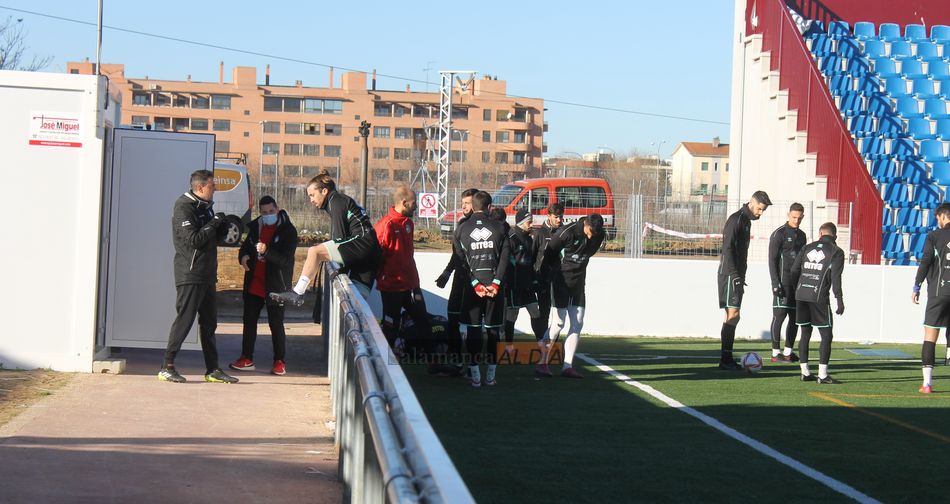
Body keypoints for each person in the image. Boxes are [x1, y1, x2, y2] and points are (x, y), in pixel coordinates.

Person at [159, 169, 238, 384]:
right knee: (185, 319)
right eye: (212, 186)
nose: (215, 190)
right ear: (200, 187)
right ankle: (167, 366)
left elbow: (209, 237)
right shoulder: (184, 206)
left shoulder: (206, 207)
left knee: (209, 323)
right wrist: (214, 223)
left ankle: (213, 369)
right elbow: (194, 239)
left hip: (207, 273)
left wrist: (223, 228)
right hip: (190, 272)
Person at [270, 171, 381, 305]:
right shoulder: (338, 200)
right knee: (356, 301)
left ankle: (298, 292)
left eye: (312, 195)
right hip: (370, 251)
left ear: (324, 191)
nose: (311, 200)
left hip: (363, 243)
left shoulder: (336, 201)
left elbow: (340, 237)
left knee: (314, 251)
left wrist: (338, 266)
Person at [229, 196, 298, 376]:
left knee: (276, 323)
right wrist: (243, 257)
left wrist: (267, 251)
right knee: (249, 321)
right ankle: (246, 357)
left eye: (271, 212)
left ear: (277, 209)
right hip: (254, 282)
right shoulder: (255, 228)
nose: (268, 215)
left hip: (276, 285)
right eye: (264, 212)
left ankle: (279, 361)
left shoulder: (288, 231)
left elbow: (285, 260)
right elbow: (245, 248)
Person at [541, 213, 606, 378]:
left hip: (578, 284)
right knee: (558, 323)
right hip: (560, 282)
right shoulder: (567, 233)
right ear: (585, 224)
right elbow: (548, 254)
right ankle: (542, 363)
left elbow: (587, 254)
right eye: (590, 231)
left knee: (577, 324)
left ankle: (567, 366)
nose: (592, 236)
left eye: (595, 234)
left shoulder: (598, 235)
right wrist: (547, 277)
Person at [455, 191, 510, 387]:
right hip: (495, 287)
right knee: (493, 331)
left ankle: (475, 377)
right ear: (489, 207)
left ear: (473, 205)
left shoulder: (461, 229)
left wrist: (474, 284)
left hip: (473, 288)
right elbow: (505, 259)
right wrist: (495, 283)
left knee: (474, 331)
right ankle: (491, 376)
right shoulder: (500, 227)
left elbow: (461, 262)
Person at [374, 185, 433, 364]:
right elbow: (377, 255)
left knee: (423, 321)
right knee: (391, 324)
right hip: (392, 285)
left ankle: (435, 362)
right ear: (404, 203)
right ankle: (384, 363)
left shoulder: (408, 223)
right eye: (414, 203)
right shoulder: (386, 225)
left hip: (411, 284)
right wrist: (382, 276)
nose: (416, 207)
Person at [716, 190, 772, 370]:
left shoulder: (746, 221)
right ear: (751, 203)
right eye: (759, 209)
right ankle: (725, 360)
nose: (760, 213)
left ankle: (726, 358)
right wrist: (736, 276)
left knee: (732, 316)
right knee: (733, 315)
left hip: (736, 275)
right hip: (730, 275)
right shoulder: (736, 220)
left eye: (763, 210)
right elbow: (728, 250)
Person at [790, 222, 845, 384]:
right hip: (818, 296)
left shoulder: (807, 247)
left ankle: (805, 372)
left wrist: (797, 289)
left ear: (820, 233)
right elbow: (836, 278)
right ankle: (822, 375)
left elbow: (794, 271)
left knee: (805, 333)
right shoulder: (836, 252)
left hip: (801, 294)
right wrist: (839, 300)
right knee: (826, 335)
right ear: (835, 236)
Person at [435, 188, 479, 371]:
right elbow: (457, 255)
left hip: (474, 281)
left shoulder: (482, 226)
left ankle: (472, 364)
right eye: (463, 203)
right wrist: (447, 272)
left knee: (472, 323)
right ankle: (456, 360)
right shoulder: (461, 224)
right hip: (459, 278)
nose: (464, 206)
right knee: (453, 319)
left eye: (467, 203)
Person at [912, 203, 950, 393]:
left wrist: (916, 285)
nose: (938, 221)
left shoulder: (934, 236)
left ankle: (927, 383)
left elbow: (926, 261)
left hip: (938, 293)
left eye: (938, 218)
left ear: (943, 216)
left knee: (930, 336)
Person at [768, 202, 807, 363]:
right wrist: (775, 283)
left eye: (799, 218)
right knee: (780, 315)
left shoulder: (803, 235)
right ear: (788, 215)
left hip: (797, 284)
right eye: (794, 217)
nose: (796, 220)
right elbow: (772, 260)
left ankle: (788, 352)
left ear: (802, 217)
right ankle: (775, 353)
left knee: (795, 317)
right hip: (782, 282)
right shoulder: (779, 234)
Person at [504, 209, 543, 358]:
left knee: (535, 312)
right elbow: (507, 262)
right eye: (529, 221)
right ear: (521, 223)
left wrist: (533, 280)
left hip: (527, 284)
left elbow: (531, 262)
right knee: (512, 315)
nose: (531, 224)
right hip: (514, 285)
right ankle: (508, 346)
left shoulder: (529, 238)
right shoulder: (512, 238)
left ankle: (540, 343)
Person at [530, 203, 564, 373]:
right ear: (549, 215)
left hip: (558, 279)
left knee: (558, 316)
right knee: (541, 313)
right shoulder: (539, 233)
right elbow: (532, 256)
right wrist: (534, 278)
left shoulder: (563, 232)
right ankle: (540, 343)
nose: (559, 220)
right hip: (541, 279)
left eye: (561, 216)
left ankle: (548, 349)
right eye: (556, 216)